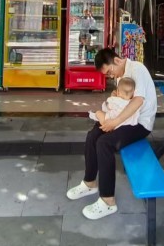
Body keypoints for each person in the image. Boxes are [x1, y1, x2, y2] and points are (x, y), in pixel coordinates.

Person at [67, 48, 157, 220]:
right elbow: (122, 102)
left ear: (116, 61)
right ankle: (89, 183)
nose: (110, 76)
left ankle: (108, 201)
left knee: (104, 143)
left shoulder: (137, 69)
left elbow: (138, 101)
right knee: (93, 135)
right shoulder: (121, 75)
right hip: (124, 119)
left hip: (139, 123)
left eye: (109, 72)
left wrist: (114, 122)